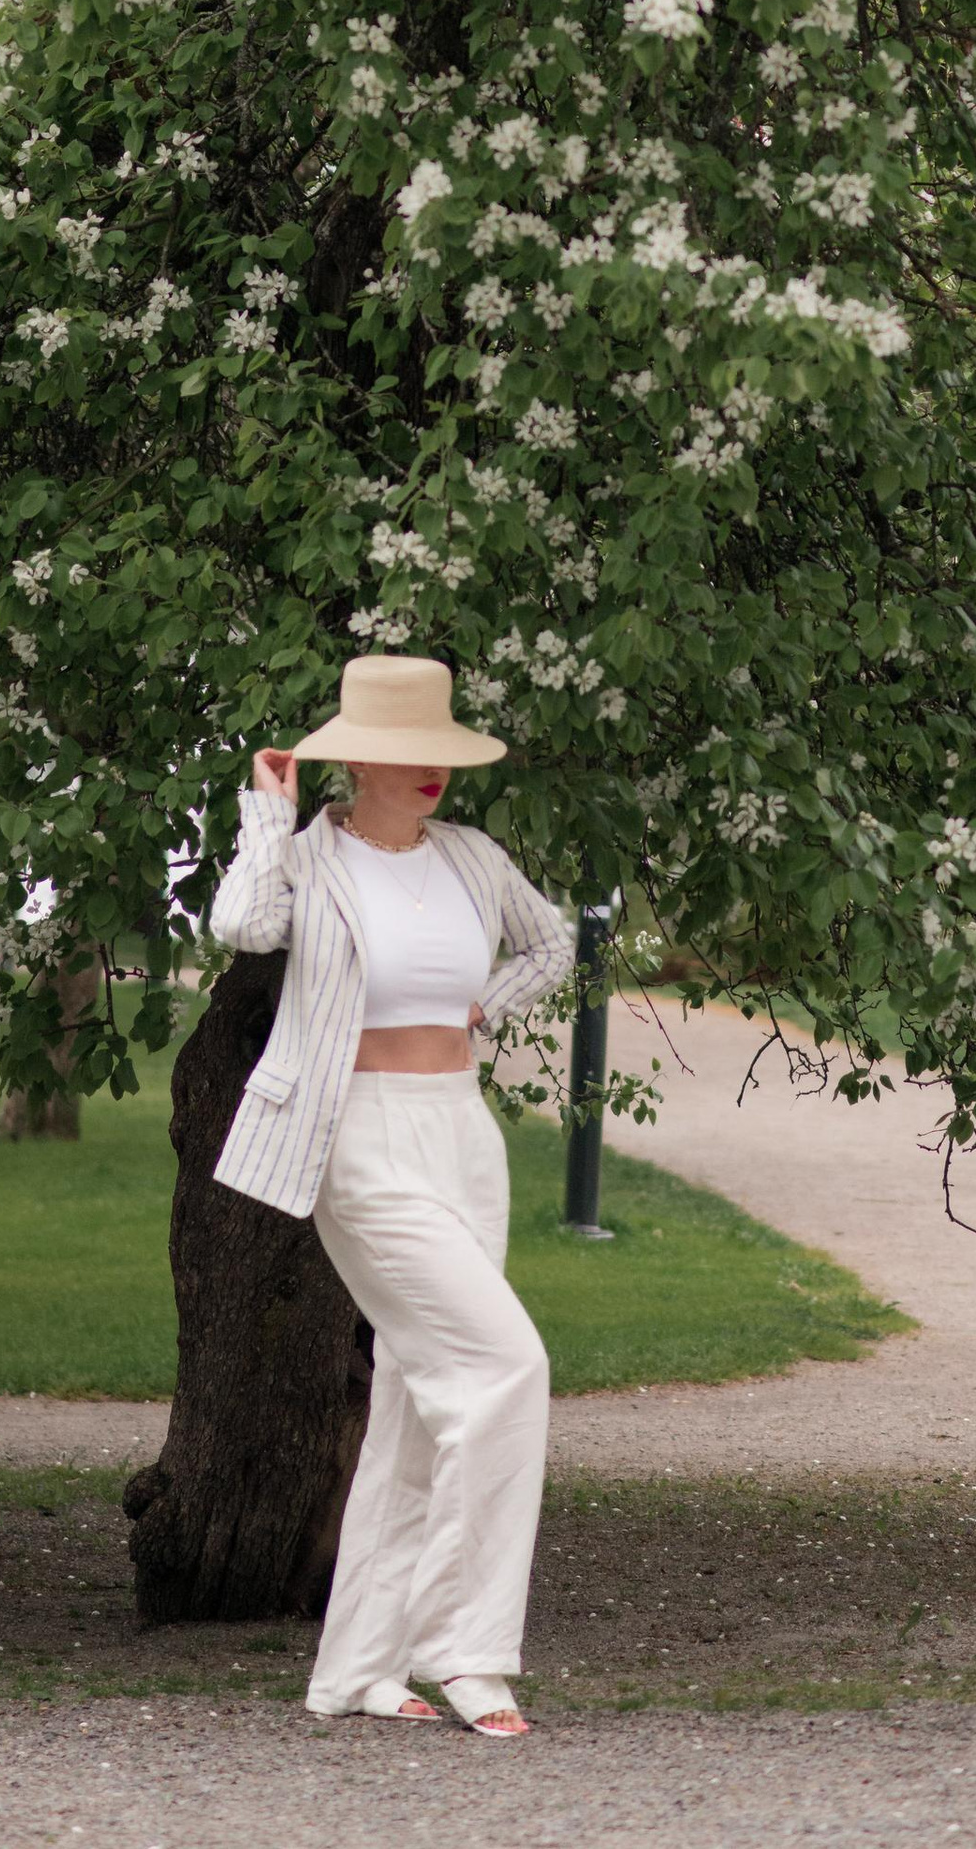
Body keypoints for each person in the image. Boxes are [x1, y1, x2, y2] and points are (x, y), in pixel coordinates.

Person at [208, 651, 577, 1738]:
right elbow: (241, 926)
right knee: (506, 1366)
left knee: (419, 1407)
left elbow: (553, 943)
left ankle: (357, 1669)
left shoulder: (470, 857)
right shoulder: (311, 858)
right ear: (356, 756)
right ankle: (464, 1651)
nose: (432, 774)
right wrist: (264, 817)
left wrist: (486, 1008)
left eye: (443, 754)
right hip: (357, 1138)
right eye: (410, 754)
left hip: (461, 1133)